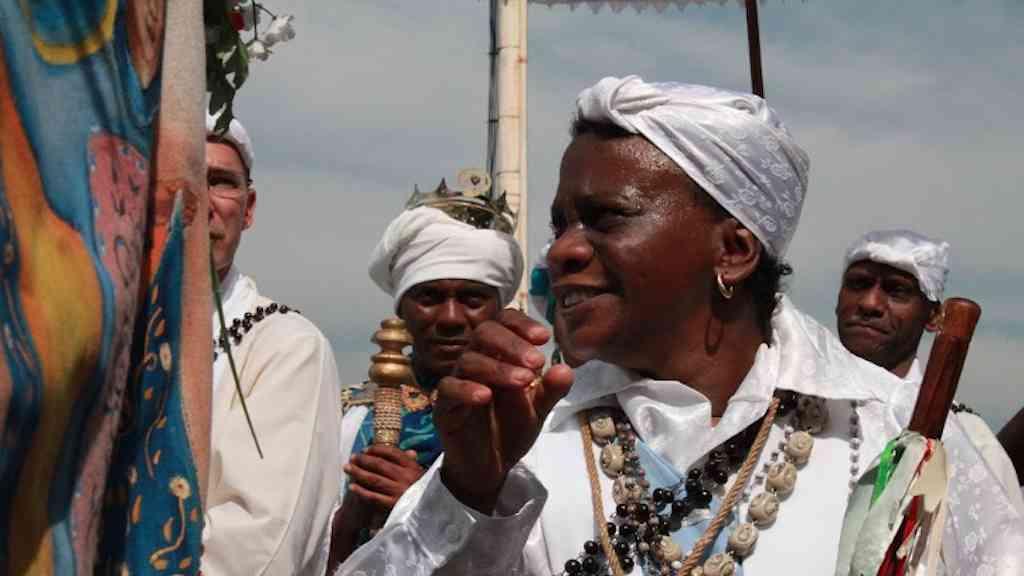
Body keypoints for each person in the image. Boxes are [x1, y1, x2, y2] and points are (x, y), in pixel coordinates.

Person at [335, 76, 1024, 575]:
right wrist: (469, 496)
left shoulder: (896, 434)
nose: (563, 251)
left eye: (607, 218)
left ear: (733, 250)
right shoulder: (526, 434)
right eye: (561, 224)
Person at [329, 180, 524, 564]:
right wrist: (352, 513)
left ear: (499, 309)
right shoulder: (347, 417)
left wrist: (422, 501)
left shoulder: (530, 419)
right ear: (402, 309)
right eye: (430, 298)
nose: (450, 318)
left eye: (471, 299)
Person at [202, 114, 343, 575]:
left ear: (248, 208)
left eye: (220, 182)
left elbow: (259, 548)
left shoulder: (286, 346)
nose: (200, 202)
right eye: (179, 177)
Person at [836, 230, 1023, 510]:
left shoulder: (969, 439)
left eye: (896, 290)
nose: (869, 303)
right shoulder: (779, 400)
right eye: (858, 284)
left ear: (934, 317)